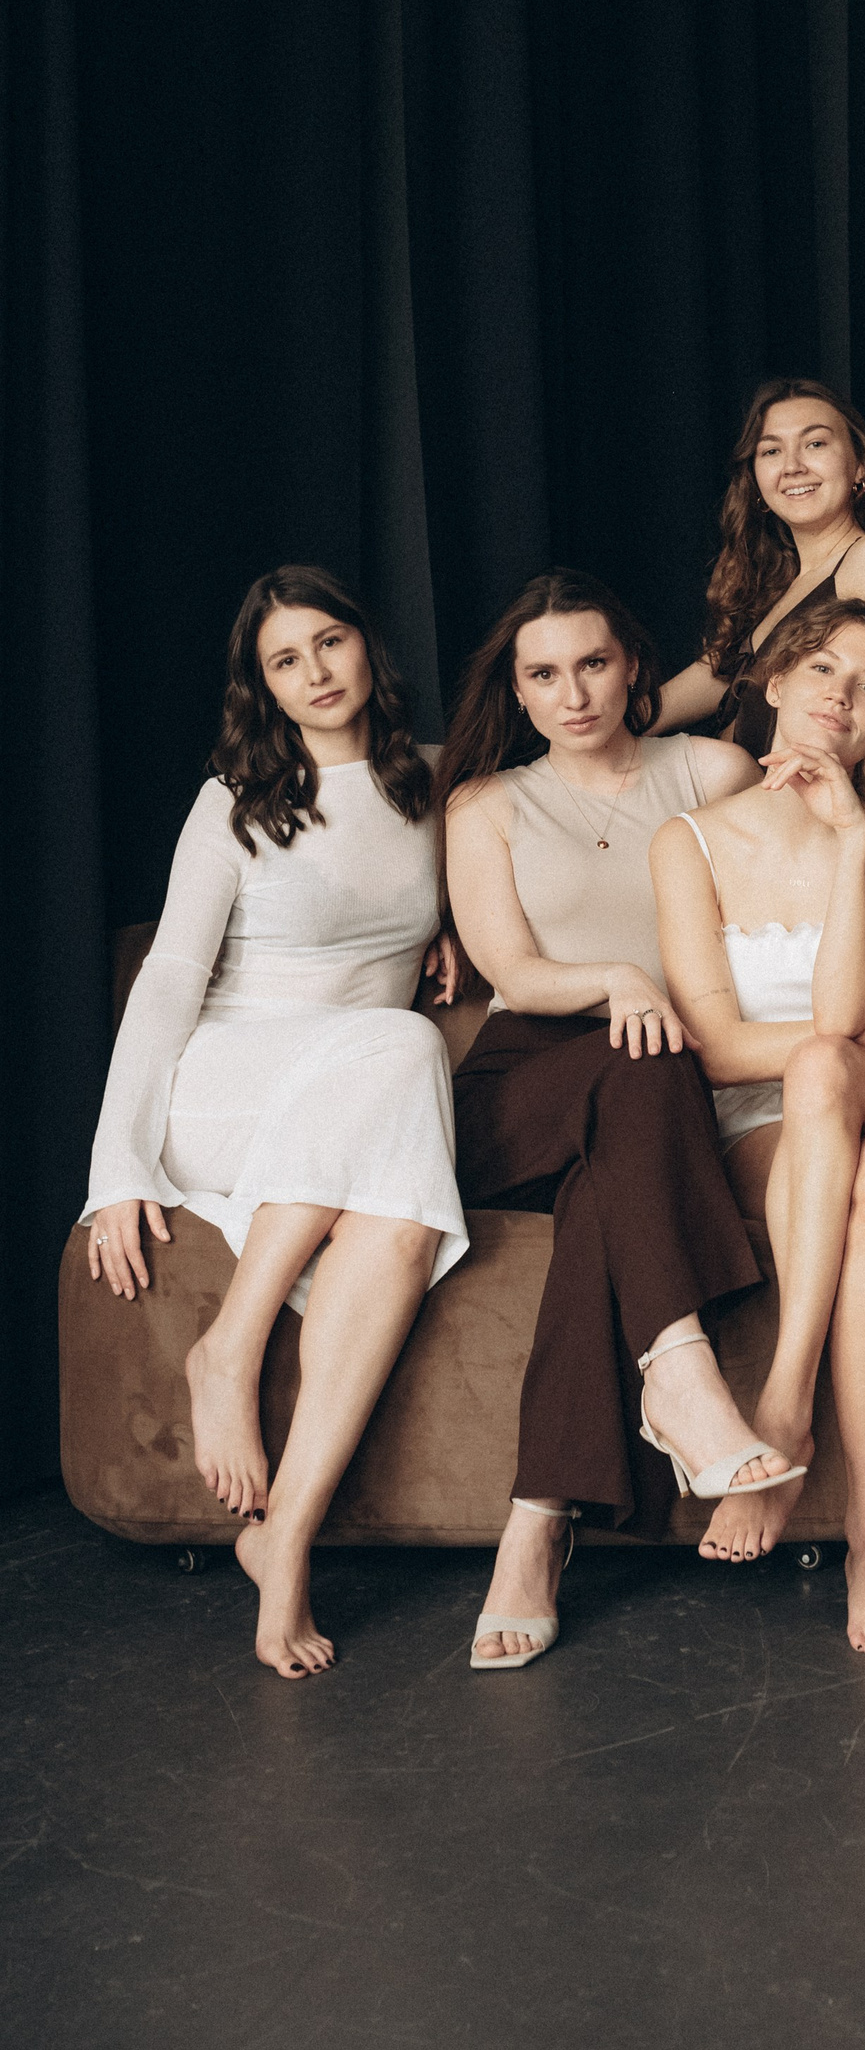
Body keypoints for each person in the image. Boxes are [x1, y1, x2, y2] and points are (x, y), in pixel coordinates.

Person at [83, 566, 467, 1680]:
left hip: (358, 1099)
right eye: (285, 661)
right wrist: (118, 1163)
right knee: (406, 1043)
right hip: (229, 1084)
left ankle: (285, 1537)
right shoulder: (235, 799)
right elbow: (168, 981)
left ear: (367, 647)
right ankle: (232, 1347)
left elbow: (509, 859)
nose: (316, 674)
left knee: (399, 1230)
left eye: (330, 643)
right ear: (264, 687)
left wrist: (463, 931)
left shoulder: (436, 779)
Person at [439, 569, 794, 1668]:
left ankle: (538, 1524)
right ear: (519, 691)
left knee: (615, 1174)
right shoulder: (486, 805)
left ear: (634, 664)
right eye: (544, 675)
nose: (574, 693)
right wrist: (619, 980)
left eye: (593, 663)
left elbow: (787, 897)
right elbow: (512, 971)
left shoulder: (711, 771)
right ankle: (681, 1381)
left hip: (657, 1094)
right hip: (523, 1089)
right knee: (642, 1053)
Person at [651, 597, 865, 1659]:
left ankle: (783, 1401)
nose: (843, 695)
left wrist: (847, 843)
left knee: (832, 1066)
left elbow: (837, 1019)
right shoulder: (688, 841)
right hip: (762, 1125)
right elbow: (715, 1046)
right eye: (824, 668)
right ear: (777, 681)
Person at [651, 378, 865, 806]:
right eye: (771, 451)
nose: (792, 466)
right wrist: (625, 719)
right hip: (746, 816)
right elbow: (722, 671)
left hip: (816, 826)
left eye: (815, 444)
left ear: (860, 467)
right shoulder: (784, 582)